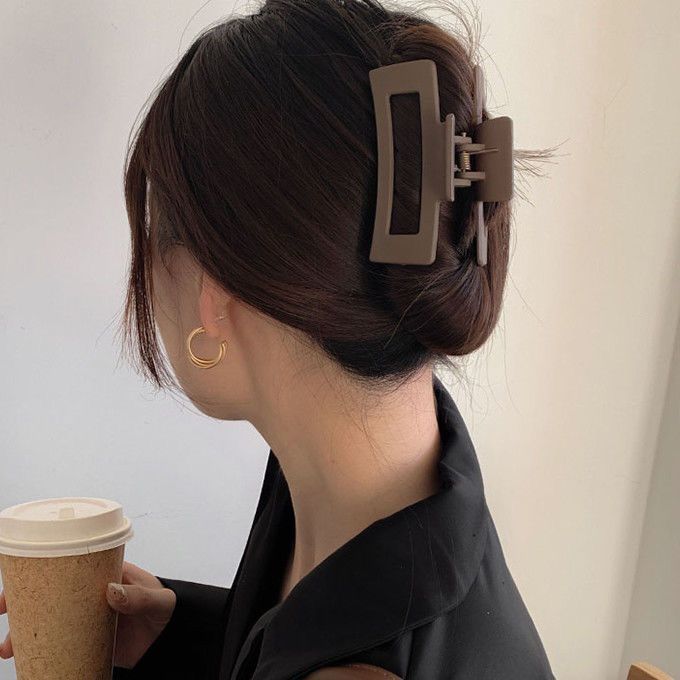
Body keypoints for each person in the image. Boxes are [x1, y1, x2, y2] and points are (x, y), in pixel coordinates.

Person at [0, 0, 556, 677]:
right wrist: (182, 634)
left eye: (152, 232)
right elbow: (311, 624)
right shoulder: (381, 468)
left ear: (211, 296)